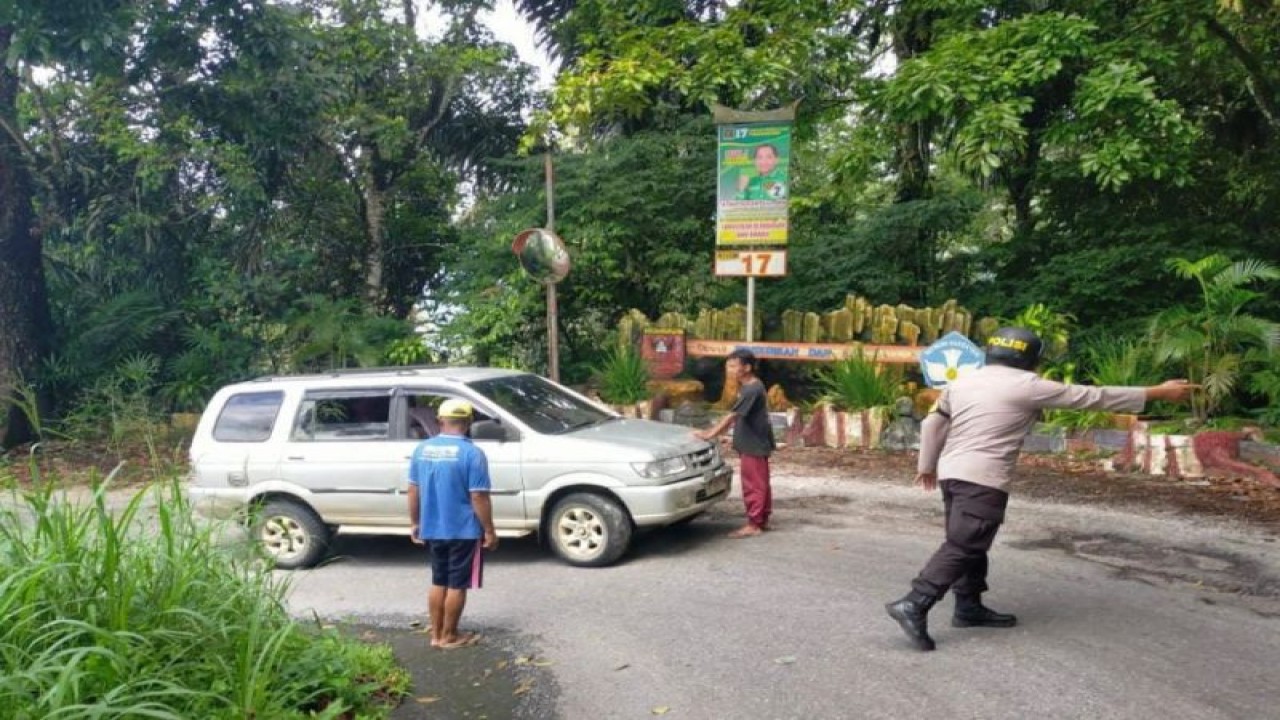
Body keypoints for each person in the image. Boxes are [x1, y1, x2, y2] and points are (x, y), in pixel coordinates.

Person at [885, 326, 1199, 651]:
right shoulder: (1028, 386)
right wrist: (1158, 392)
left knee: (972, 541)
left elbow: (932, 422)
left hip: (952, 472)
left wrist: (926, 466)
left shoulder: (963, 380)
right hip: (983, 476)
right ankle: (915, 602)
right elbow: (1094, 397)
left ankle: (968, 606)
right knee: (964, 543)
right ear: (1030, 359)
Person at [407, 399, 499, 649]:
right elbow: (478, 496)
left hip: (433, 527)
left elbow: (413, 490)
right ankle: (449, 636)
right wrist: (489, 530)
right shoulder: (472, 453)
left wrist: (415, 522)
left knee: (439, 580)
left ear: (440, 421)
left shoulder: (422, 450)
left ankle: (436, 635)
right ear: (468, 422)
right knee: (457, 584)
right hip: (463, 530)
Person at [694, 348, 776, 538]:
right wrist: (729, 436)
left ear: (747, 367)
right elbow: (746, 418)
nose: (729, 370)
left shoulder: (751, 389)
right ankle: (761, 519)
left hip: (753, 445)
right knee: (761, 482)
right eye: (728, 366)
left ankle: (754, 524)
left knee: (753, 484)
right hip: (754, 442)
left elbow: (733, 415)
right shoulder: (751, 386)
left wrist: (710, 434)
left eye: (733, 366)